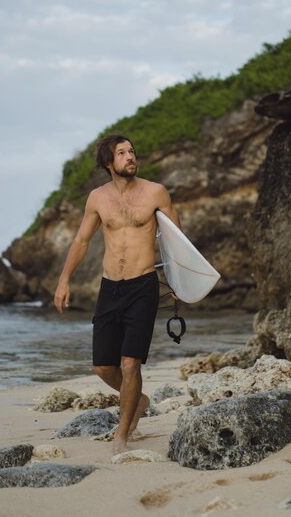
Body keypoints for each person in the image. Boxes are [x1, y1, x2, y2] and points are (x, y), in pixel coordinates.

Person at [54, 134, 181, 454]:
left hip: (143, 285)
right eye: (121, 153)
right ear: (109, 163)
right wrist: (64, 279)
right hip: (110, 287)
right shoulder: (97, 198)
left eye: (132, 151)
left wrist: (179, 281)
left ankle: (122, 435)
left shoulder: (155, 192)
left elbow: (175, 240)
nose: (129, 157)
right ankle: (137, 399)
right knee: (103, 367)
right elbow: (82, 241)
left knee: (129, 363)